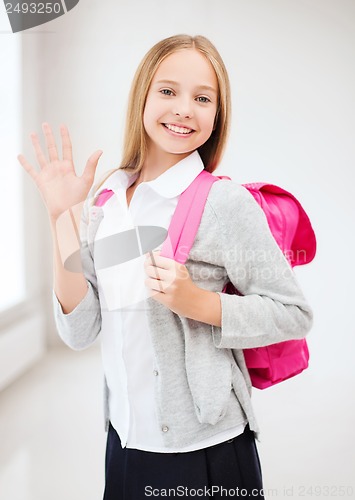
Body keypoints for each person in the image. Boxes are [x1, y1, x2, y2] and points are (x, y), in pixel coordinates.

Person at [18, 34, 313, 500]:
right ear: (143, 96)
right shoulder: (109, 198)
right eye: (168, 91)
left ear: (217, 115)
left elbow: (294, 313)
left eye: (202, 98)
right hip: (124, 442)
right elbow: (80, 330)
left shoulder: (223, 203)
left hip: (207, 451)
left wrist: (198, 303)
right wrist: (62, 218)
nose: (183, 109)